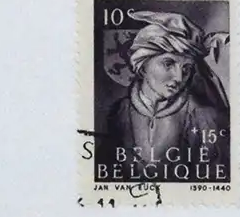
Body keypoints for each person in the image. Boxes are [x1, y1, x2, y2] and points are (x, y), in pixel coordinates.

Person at [98, 11, 229, 180]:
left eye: (186, 69)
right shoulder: (119, 111)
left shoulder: (203, 116)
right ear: (143, 66)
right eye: (168, 63)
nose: (179, 78)